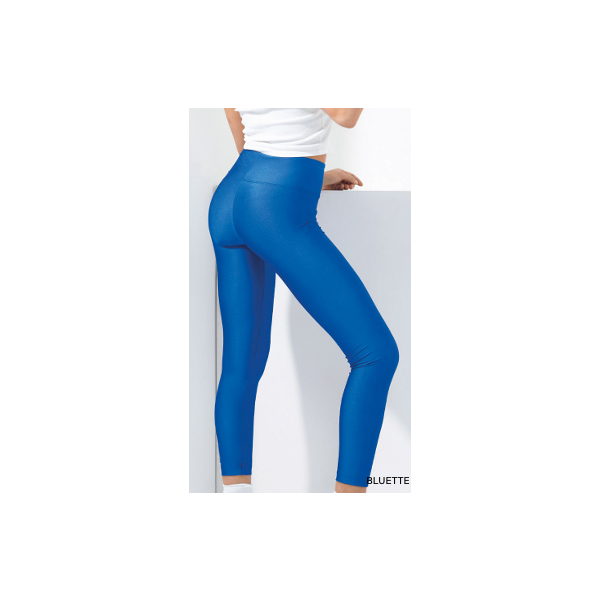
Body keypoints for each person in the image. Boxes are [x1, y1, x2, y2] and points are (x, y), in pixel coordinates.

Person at [209, 108, 399, 494]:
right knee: (376, 354)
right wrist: (287, 179)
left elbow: (237, 121)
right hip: (274, 204)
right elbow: (345, 115)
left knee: (241, 367)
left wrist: (308, 176)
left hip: (234, 195)